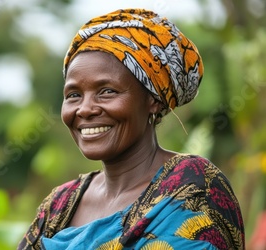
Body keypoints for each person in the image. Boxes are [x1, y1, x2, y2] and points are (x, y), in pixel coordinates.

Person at [18, 8, 245, 250]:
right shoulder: (59, 204)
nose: (84, 109)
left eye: (107, 91)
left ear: (153, 100)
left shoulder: (194, 188)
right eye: (74, 95)